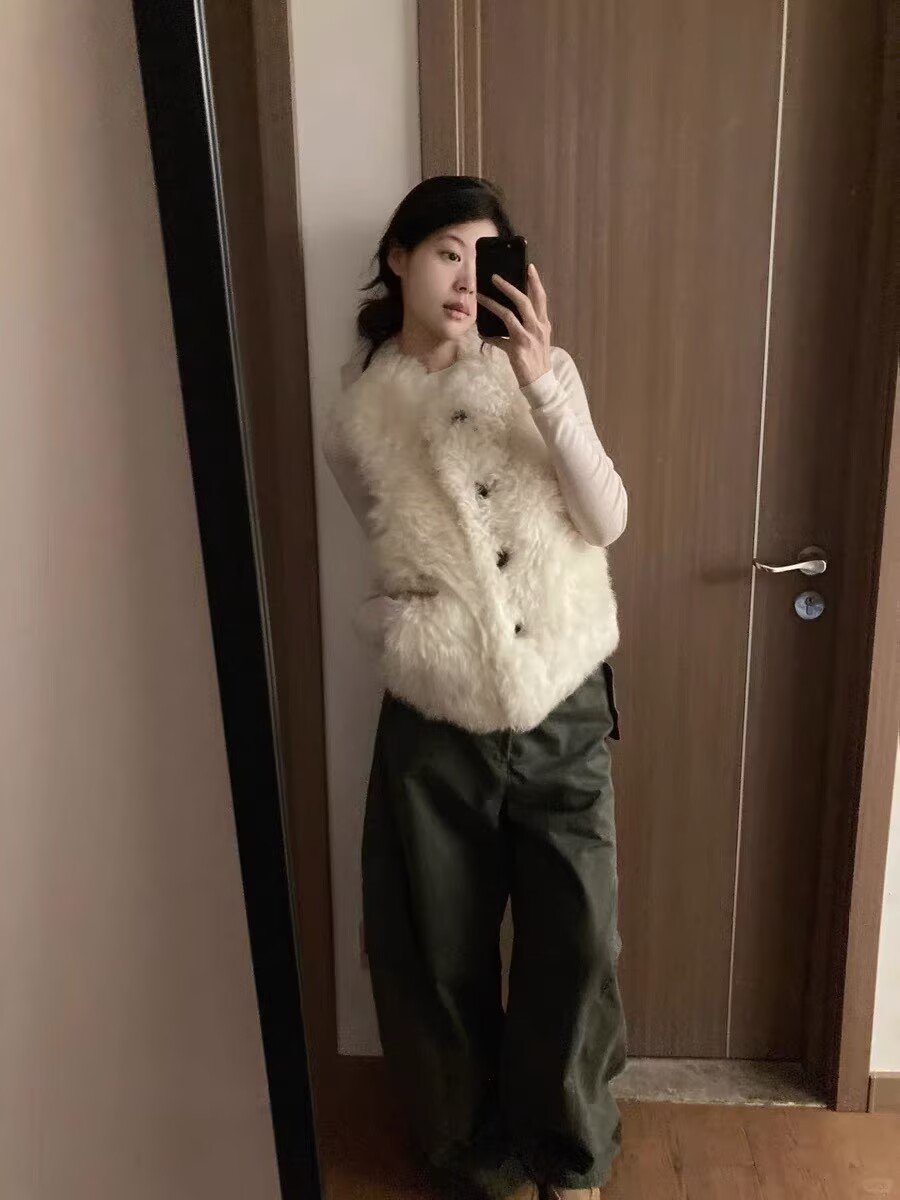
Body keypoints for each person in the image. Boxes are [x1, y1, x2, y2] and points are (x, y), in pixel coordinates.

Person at [323, 175, 628, 1200]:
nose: (463, 278)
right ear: (399, 258)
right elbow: (384, 539)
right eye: (445, 251)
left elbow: (606, 518)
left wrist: (542, 385)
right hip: (436, 710)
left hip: (563, 701)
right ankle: (472, 1161)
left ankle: (568, 1156)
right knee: (435, 946)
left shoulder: (543, 372)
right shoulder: (357, 414)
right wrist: (407, 625)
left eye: (483, 256)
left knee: (578, 937)